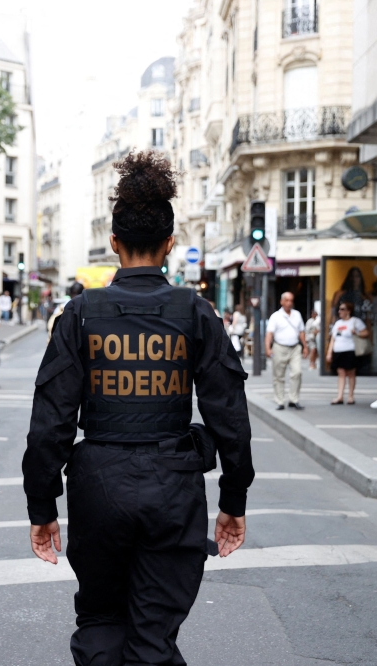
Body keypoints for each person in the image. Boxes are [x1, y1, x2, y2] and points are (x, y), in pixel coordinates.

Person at [23, 151, 254, 666]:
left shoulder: (79, 315)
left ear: (113, 244)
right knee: (153, 635)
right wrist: (233, 501)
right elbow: (229, 416)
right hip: (173, 486)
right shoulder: (197, 313)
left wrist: (42, 507)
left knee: (102, 622)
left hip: (99, 485)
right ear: (170, 245)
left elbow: (50, 423)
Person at [266, 292, 306, 410]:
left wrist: (305, 346)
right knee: (278, 375)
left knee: (297, 372)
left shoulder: (297, 314)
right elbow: (269, 334)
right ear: (282, 301)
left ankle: (294, 399)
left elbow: (301, 332)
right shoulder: (275, 316)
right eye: (287, 300)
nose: (289, 303)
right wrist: (268, 348)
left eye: (291, 300)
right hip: (279, 347)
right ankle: (280, 401)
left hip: (295, 347)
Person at [325, 301, 369, 404]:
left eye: (342, 309)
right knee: (341, 373)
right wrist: (329, 352)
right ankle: (340, 396)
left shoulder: (355, 321)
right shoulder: (338, 323)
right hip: (338, 350)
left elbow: (366, 332)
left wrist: (357, 332)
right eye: (339, 309)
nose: (340, 311)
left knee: (350, 373)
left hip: (349, 349)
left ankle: (350, 396)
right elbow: (333, 339)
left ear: (349, 311)